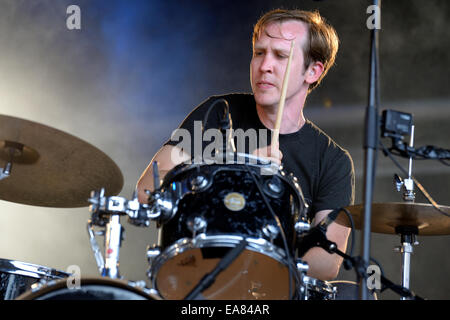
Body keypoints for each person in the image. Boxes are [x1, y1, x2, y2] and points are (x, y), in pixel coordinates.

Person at [137, 9, 355, 282]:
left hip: (272, 290)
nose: (265, 65)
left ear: (313, 71)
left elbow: (326, 263)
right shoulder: (217, 113)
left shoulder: (332, 161)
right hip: (199, 281)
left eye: (281, 56)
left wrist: (264, 269)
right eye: (259, 52)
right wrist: (239, 169)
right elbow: (147, 190)